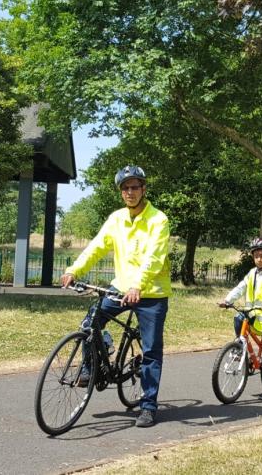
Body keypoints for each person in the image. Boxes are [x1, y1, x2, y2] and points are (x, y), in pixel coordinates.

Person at [60, 165, 171, 428]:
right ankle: (91, 365)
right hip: (121, 288)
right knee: (90, 323)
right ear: (121, 192)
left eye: (135, 187)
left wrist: (138, 286)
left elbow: (153, 258)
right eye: (125, 188)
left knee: (151, 350)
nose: (130, 192)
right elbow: (96, 247)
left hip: (151, 293)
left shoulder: (159, 220)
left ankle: (148, 406)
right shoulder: (116, 219)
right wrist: (74, 270)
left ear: (144, 189)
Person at [218, 237, 262, 401]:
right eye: (256, 255)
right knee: (238, 317)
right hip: (256, 314)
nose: (259, 259)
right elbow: (240, 288)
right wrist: (227, 300)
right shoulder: (252, 273)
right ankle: (240, 348)